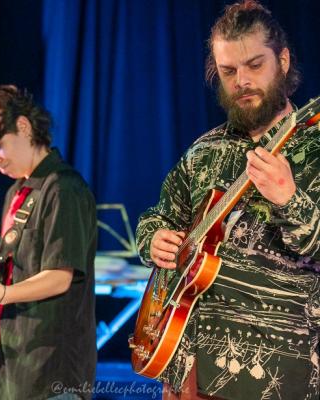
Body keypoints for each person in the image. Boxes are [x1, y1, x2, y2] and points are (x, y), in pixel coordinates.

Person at [136, 1, 320, 399]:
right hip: (185, 367)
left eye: (255, 65)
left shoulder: (314, 144)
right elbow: (160, 215)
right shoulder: (205, 150)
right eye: (228, 71)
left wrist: (290, 199)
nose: (242, 81)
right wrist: (152, 238)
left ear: (283, 61)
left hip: (276, 375)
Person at [0, 85, 97, 400]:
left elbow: (60, 277)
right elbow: (16, 274)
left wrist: (1, 294)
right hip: (12, 371)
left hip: (50, 375)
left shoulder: (63, 189)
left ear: (23, 126)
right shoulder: (17, 192)